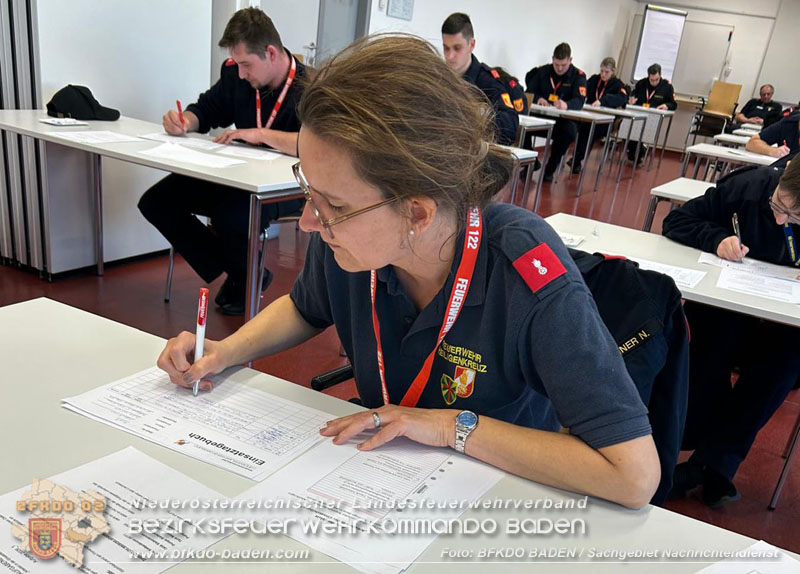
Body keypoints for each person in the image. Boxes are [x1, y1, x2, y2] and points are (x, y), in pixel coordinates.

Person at [157, 34, 660, 509]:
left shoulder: (522, 269)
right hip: (377, 476)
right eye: (308, 190)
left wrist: (448, 427)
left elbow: (633, 474)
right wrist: (224, 353)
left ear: (417, 214)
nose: (309, 222)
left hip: (489, 491)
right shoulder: (349, 242)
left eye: (331, 203)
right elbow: (305, 308)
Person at [137, 7, 305, 315]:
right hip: (236, 175)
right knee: (156, 201)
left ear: (270, 52)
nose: (241, 74)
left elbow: (315, 144)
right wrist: (185, 121)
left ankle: (243, 276)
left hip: (288, 186)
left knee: (230, 216)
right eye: (237, 64)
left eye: (246, 64)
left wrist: (261, 135)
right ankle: (244, 274)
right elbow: (208, 109)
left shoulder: (309, 87)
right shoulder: (235, 76)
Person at [662, 162, 800, 508]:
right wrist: (717, 238)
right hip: (727, 310)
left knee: (785, 365)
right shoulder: (747, 188)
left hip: (783, 326)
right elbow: (676, 220)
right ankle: (702, 452)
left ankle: (710, 464)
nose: (783, 220)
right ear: (780, 180)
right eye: (780, 206)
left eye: (796, 217)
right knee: (709, 343)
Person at [441, 13, 519, 145]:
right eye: (446, 48)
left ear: (471, 45)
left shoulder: (488, 82)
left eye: (457, 48)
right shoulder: (439, 76)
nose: (450, 56)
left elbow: (510, 125)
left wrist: (480, 115)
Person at [525, 43, 587, 182]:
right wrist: (538, 98)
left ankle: (550, 169)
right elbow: (529, 92)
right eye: (556, 64)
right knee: (521, 124)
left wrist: (567, 105)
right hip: (541, 117)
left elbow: (579, 100)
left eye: (563, 65)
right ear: (552, 59)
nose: (559, 68)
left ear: (570, 60)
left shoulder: (578, 76)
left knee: (569, 132)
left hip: (562, 121)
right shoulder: (542, 72)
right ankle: (531, 162)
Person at [569, 57, 627, 174]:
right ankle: (576, 159)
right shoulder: (594, 80)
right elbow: (583, 89)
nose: (603, 74)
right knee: (576, 126)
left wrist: (604, 100)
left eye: (607, 72)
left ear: (613, 72)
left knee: (590, 130)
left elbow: (622, 98)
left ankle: (576, 159)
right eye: (602, 71)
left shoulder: (618, 84)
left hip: (606, 120)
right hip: (589, 116)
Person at [627, 63, 676, 163]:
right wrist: (631, 99)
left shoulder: (667, 87)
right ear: (648, 76)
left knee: (639, 139)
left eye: (656, 80)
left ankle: (640, 153)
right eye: (651, 80)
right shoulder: (641, 84)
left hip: (653, 118)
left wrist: (666, 106)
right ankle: (639, 152)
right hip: (638, 115)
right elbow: (633, 95)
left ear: (660, 75)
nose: (654, 82)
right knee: (628, 132)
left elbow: (673, 104)